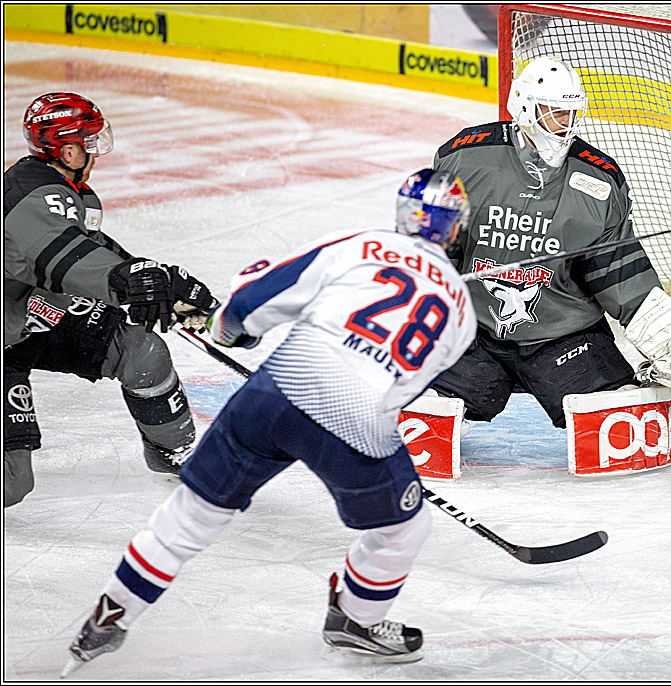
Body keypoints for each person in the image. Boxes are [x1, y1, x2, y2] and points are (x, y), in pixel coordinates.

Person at [63, 168, 475, 674]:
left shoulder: (362, 245)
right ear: (455, 226)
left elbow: (251, 303)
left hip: (275, 396)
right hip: (357, 424)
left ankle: (111, 615)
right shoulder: (462, 313)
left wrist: (227, 329)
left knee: (191, 515)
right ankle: (356, 619)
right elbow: (403, 390)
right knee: (405, 529)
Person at [430, 56, 671, 430]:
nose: (567, 123)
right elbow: (435, 250)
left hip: (562, 336)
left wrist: (668, 330)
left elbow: (617, 272)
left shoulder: (598, 181)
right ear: (524, 107)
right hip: (472, 330)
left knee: (618, 418)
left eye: (572, 113)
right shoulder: (464, 159)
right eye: (555, 112)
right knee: (421, 405)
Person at [4, 92, 216, 507]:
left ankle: (174, 453)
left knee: (140, 350)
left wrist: (162, 284)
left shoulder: (67, 192)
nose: (97, 152)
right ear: (69, 149)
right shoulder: (31, 197)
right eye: (91, 142)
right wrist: (130, 283)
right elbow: (60, 259)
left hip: (28, 318)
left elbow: (91, 249)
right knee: (12, 483)